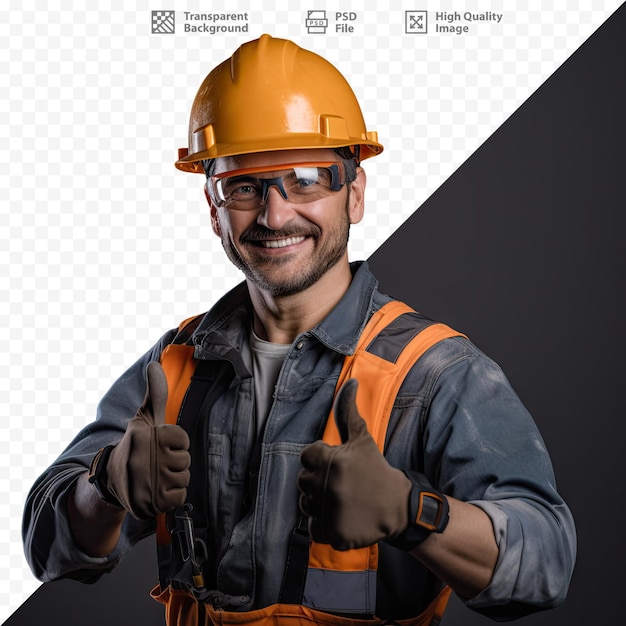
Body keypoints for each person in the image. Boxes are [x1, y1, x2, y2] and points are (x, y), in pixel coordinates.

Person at [22, 34, 576, 625]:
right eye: (243, 186)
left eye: (307, 178)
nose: (275, 214)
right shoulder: (177, 366)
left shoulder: (433, 373)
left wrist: (412, 512)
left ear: (354, 193)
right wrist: (105, 486)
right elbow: (45, 546)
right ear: (214, 209)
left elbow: (546, 561)